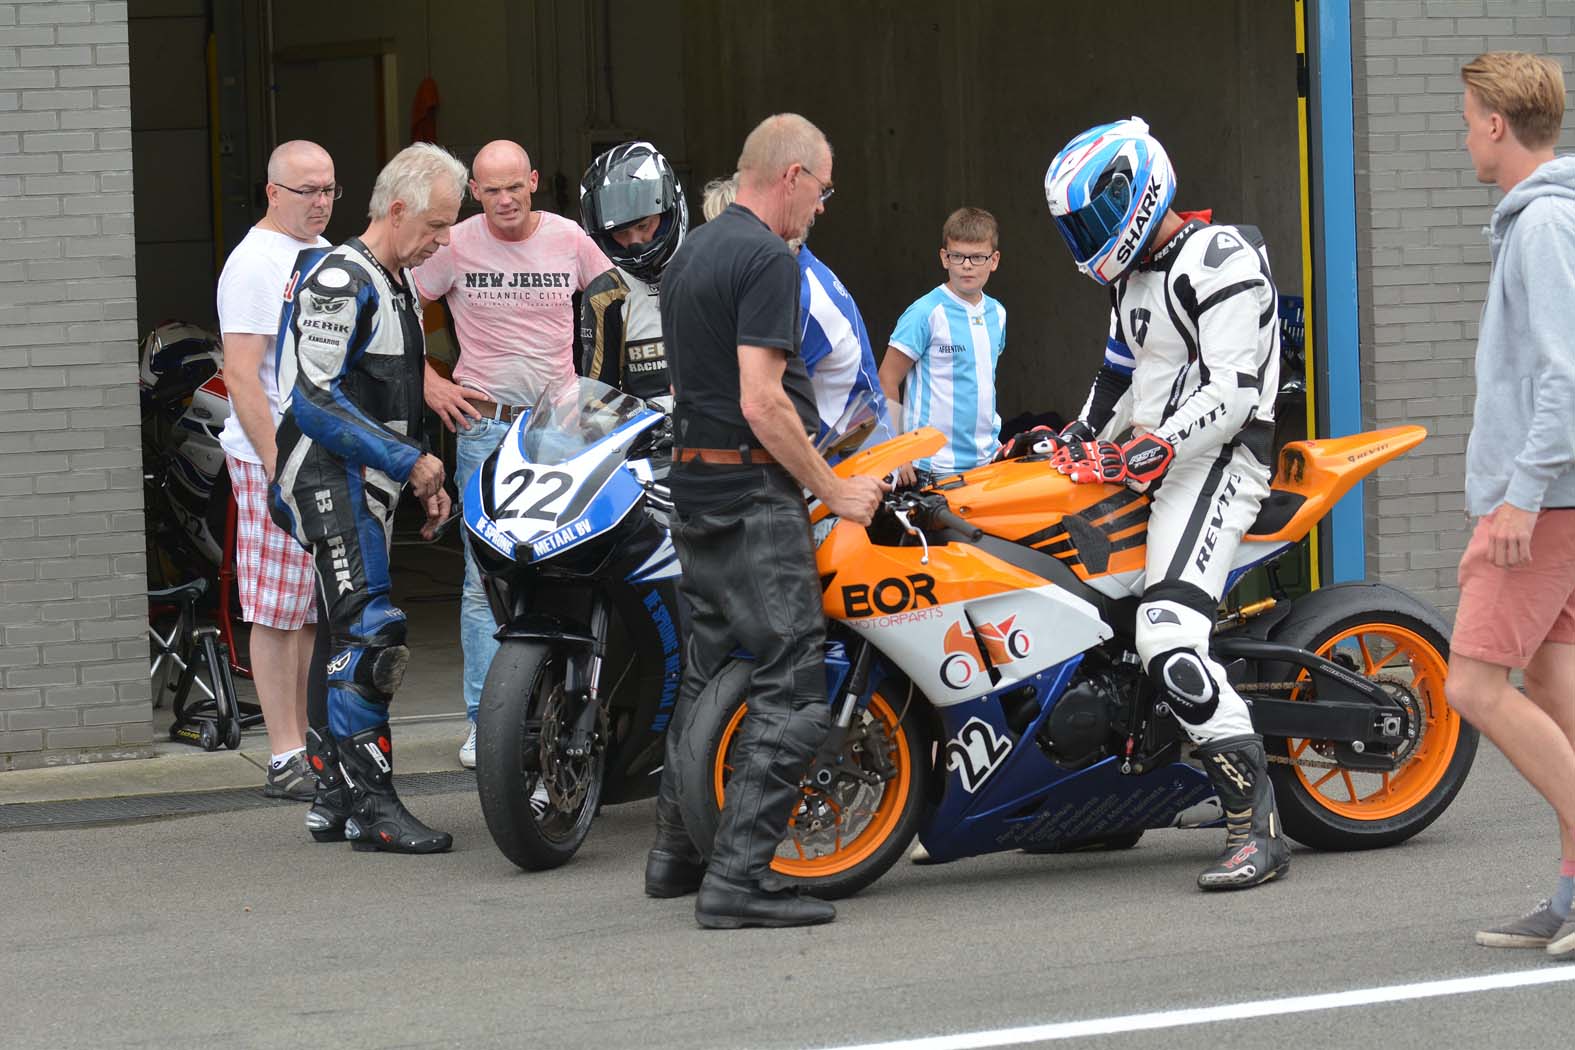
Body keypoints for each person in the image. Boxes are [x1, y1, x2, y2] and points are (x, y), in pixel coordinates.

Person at [1024, 116, 1289, 890]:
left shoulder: (1218, 258)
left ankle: (1254, 826)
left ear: (1135, 192)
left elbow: (1234, 391)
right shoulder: (1130, 275)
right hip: (1156, 467)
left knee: (1167, 637)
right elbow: (1117, 376)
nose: (1086, 234)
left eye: (1091, 217)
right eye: (1075, 224)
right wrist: (1069, 437)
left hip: (1219, 467)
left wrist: (1155, 446)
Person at [647, 113, 887, 929]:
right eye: (820, 189)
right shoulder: (766, 260)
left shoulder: (687, 258)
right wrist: (835, 488)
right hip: (753, 502)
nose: (820, 206)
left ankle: (675, 856)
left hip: (694, 497)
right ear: (789, 177)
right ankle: (739, 880)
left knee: (706, 682)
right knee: (792, 686)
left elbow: (692, 395)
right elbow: (760, 401)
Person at [270, 142, 464, 854]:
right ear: (399, 208)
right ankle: (374, 809)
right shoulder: (337, 277)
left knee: (343, 636)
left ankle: (332, 798)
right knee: (372, 635)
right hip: (326, 477)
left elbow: (393, 396)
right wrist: (411, 461)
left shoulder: (395, 279)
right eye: (438, 225)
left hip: (360, 479)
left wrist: (421, 478)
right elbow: (315, 401)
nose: (443, 239)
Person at [410, 140, 614, 768]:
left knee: (568, 567)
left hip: (560, 432)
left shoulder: (569, 238)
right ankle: (482, 723)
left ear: (533, 182)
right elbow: (399, 306)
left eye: (514, 188)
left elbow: (612, 303)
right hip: (486, 429)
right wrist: (430, 380)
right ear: (475, 190)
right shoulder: (455, 242)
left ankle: (554, 711)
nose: (504, 200)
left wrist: (595, 394)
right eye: (491, 190)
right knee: (482, 581)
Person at [1443, 52, 1575, 960]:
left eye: (1464, 118)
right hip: (1552, 501)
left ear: (1495, 123)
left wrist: (1515, 502)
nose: (1462, 134)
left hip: (1544, 505)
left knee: (1471, 685)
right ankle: (1572, 892)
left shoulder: (1541, 227)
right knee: (1554, 692)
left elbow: (1565, 379)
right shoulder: (1543, 221)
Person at [214, 139, 335, 801]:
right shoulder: (255, 263)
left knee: (310, 609)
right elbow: (240, 373)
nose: (319, 203)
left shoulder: (317, 254)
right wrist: (274, 464)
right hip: (273, 458)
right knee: (275, 611)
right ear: (272, 192)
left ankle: (308, 741)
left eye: (328, 190)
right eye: (306, 191)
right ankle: (286, 754)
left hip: (318, 454)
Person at [700, 173, 895, 450]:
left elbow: (754, 398)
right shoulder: (784, 275)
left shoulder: (802, 301)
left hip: (848, 460)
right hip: (821, 447)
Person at [878, 208, 1006, 478]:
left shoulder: (998, 313)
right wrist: (897, 451)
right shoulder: (925, 313)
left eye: (977, 257)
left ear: (994, 260)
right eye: (957, 256)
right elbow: (886, 378)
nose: (967, 265)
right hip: (930, 468)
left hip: (987, 464)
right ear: (944, 258)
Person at [577, 141, 688, 412]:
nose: (635, 242)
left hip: (716, 435)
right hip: (647, 442)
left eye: (643, 225)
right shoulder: (606, 294)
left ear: (668, 211)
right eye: (622, 234)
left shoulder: (714, 273)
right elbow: (596, 399)